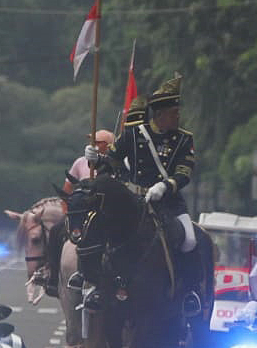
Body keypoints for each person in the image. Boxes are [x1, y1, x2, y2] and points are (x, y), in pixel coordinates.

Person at [88, 75, 203, 315]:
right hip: (135, 202)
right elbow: (113, 160)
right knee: (102, 232)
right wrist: (96, 158)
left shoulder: (184, 138)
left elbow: (185, 171)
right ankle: (95, 285)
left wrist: (166, 185)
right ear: (160, 115)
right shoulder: (133, 134)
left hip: (169, 203)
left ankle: (189, 292)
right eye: (174, 112)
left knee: (190, 240)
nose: (178, 116)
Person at [63, 129, 114, 193]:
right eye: (92, 141)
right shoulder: (80, 162)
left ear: (108, 145)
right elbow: (68, 185)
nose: (93, 144)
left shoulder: (113, 164)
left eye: (98, 142)